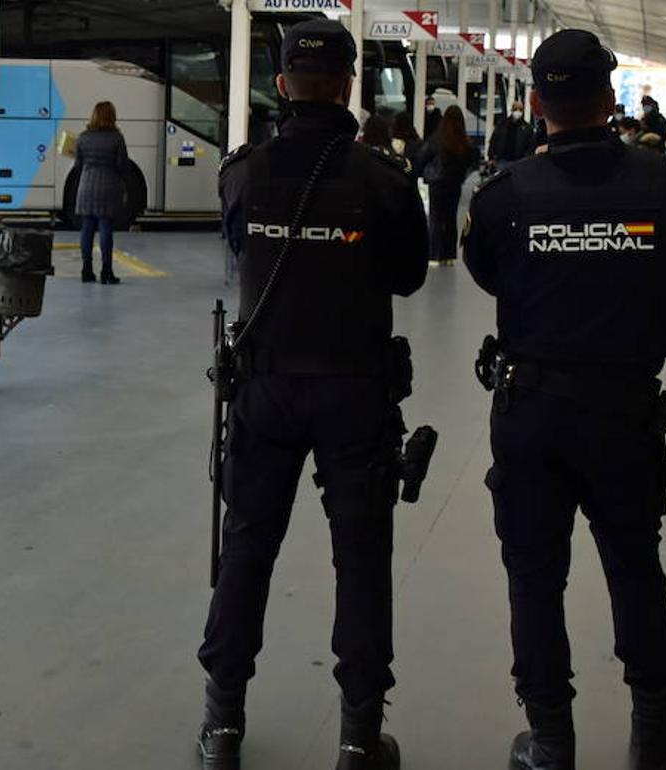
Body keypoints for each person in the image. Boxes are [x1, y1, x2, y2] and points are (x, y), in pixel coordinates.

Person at [463, 29, 666, 770]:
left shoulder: (504, 195)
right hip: (625, 411)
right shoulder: (662, 186)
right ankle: (653, 735)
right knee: (635, 566)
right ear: (608, 98)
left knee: (535, 574)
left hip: (533, 409)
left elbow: (488, 272)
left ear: (536, 103)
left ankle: (552, 742)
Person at [201, 18, 428, 770]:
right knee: (361, 559)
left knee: (247, 550)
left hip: (265, 389)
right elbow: (408, 276)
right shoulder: (385, 179)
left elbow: (241, 246)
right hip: (354, 394)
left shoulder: (243, 172)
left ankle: (222, 725)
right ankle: (361, 736)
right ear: (350, 85)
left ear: (280, 84)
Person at [72, 100, 130, 284]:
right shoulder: (116, 138)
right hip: (108, 187)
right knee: (105, 228)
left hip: (86, 187)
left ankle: (86, 270)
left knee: (87, 228)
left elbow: (77, 165)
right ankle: (106, 271)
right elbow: (122, 165)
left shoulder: (83, 137)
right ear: (112, 117)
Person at [415, 105, 480, 265]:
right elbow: (473, 158)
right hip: (454, 183)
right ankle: (449, 256)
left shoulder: (437, 139)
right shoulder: (463, 141)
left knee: (436, 219)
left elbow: (422, 157)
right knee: (451, 220)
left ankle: (434, 255)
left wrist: (419, 173)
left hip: (436, 184)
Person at [488, 100, 536, 170]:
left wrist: (526, 160)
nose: (518, 112)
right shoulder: (502, 124)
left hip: (519, 162)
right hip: (502, 161)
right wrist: (491, 157)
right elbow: (493, 140)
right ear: (512, 110)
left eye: (520, 110)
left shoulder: (527, 128)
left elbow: (531, 146)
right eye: (515, 109)